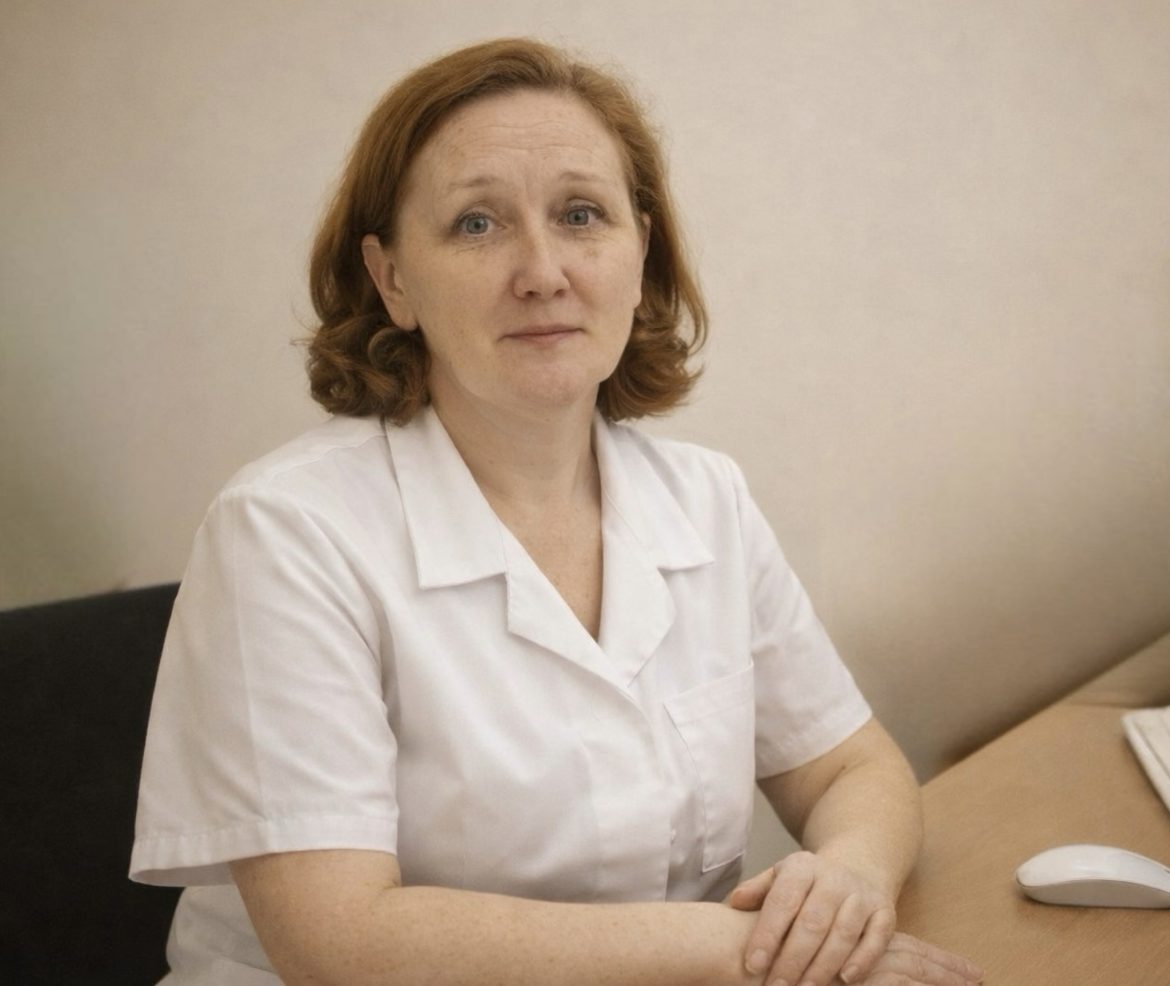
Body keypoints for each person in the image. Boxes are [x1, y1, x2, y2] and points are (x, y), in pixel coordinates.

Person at [131, 37, 983, 986]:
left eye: (581, 215)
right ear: (392, 279)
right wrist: (753, 952)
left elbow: (852, 768)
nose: (542, 271)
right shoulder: (287, 531)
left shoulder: (705, 499)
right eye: (477, 224)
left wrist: (848, 883)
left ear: (639, 254)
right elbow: (339, 942)